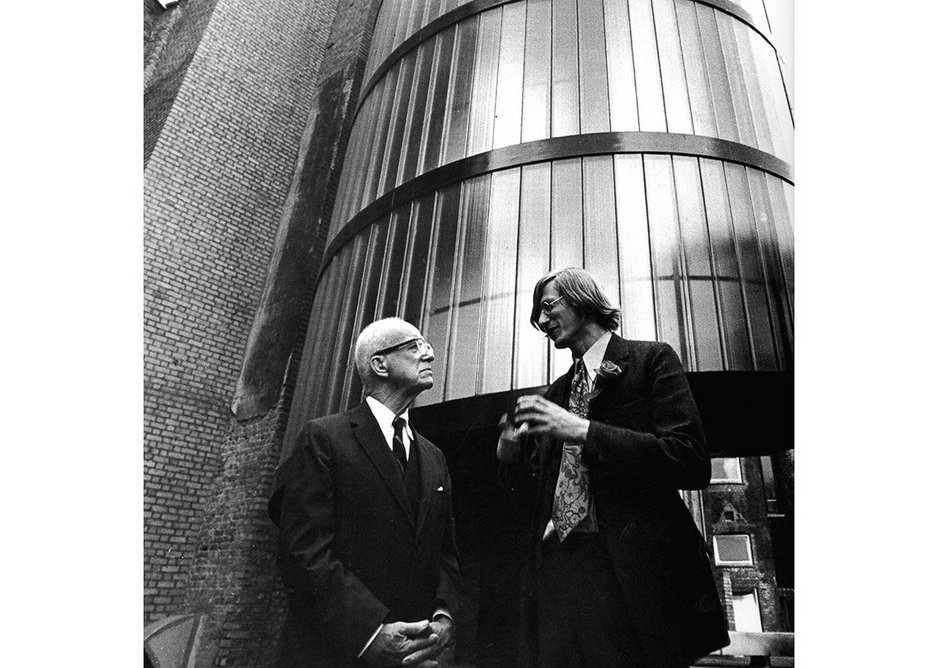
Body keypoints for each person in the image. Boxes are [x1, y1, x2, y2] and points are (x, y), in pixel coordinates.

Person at [498, 268, 729, 667]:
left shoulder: (651, 359)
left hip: (637, 578)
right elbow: (535, 494)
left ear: (583, 299)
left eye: (548, 306)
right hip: (564, 575)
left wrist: (584, 430)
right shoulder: (556, 393)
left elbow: (689, 460)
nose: (542, 321)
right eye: (538, 316)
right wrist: (509, 454)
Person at [269, 317, 461, 668]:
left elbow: (446, 553)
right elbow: (302, 550)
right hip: (333, 655)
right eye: (415, 346)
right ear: (379, 364)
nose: (429, 354)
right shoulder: (324, 437)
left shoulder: (435, 458)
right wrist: (369, 633)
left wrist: (445, 616)